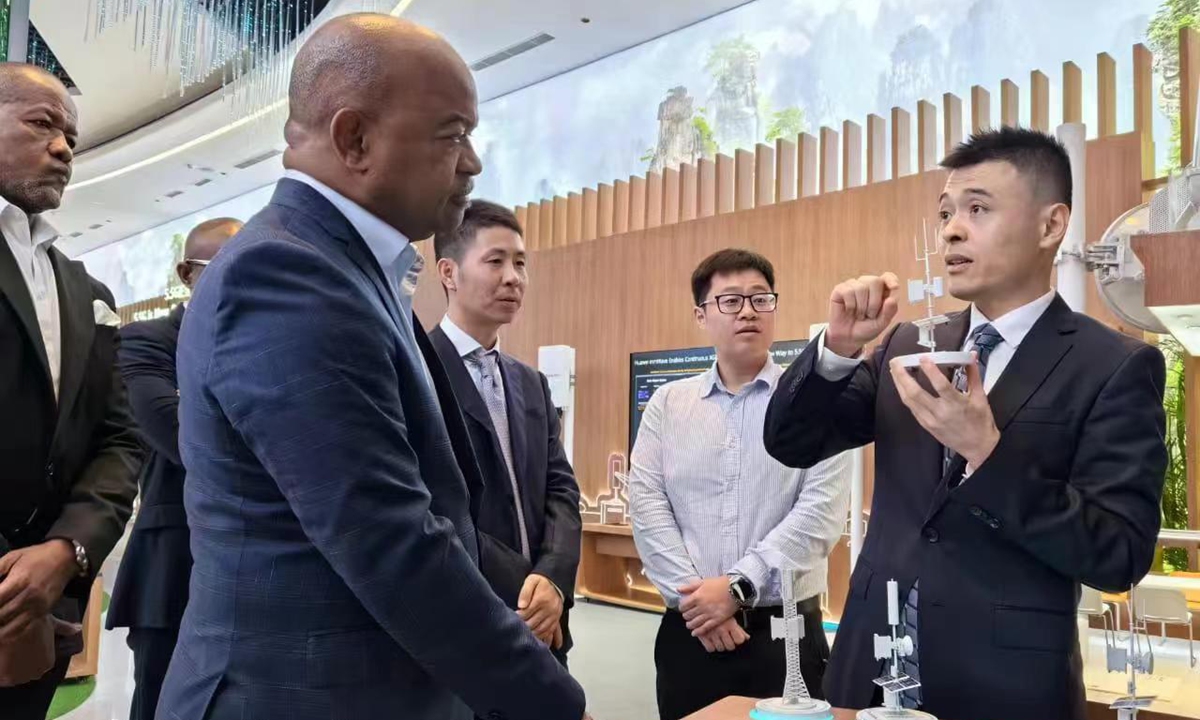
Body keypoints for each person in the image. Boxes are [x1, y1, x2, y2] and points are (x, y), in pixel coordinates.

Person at [156, 14, 586, 720]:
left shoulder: (348, 271)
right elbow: (390, 541)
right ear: (355, 137)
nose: (472, 163)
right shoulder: (286, 276)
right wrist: (554, 703)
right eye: (452, 134)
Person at [764, 128, 1167, 720]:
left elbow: (1118, 554)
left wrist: (989, 454)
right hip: (869, 672)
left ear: (1051, 225)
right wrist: (837, 351)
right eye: (946, 212)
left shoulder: (1114, 365)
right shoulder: (907, 344)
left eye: (978, 209)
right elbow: (792, 442)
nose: (951, 229)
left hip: (1007, 685)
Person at [629, 248, 851, 720]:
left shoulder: (816, 401)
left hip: (785, 636)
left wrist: (733, 589)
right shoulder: (668, 405)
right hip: (690, 637)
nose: (748, 310)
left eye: (760, 298)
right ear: (701, 315)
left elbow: (820, 514)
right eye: (730, 300)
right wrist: (699, 604)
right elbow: (647, 506)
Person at [0, 62, 142, 719]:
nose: (62, 147)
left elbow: (119, 438)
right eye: (42, 123)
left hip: (40, 618)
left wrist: (66, 550)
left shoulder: (90, 294)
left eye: (72, 139)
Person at [428, 200, 583, 667]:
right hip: (466, 615)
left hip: (545, 620)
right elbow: (435, 508)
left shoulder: (530, 382)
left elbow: (560, 489)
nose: (513, 277)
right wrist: (526, 590)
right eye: (495, 261)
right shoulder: (418, 373)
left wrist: (553, 578)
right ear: (449, 272)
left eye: (520, 263)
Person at [104, 217, 241, 720]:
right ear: (187, 273)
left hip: (256, 573)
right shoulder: (147, 340)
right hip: (173, 567)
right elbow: (182, 436)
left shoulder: (266, 345)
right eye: (226, 265)